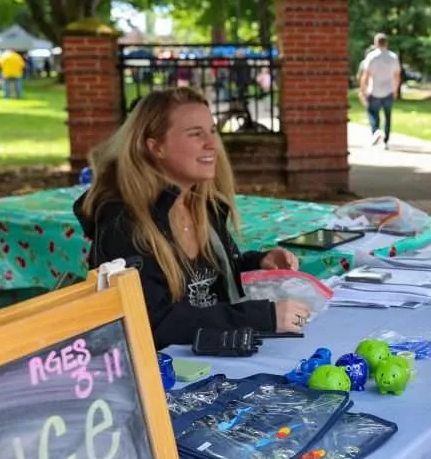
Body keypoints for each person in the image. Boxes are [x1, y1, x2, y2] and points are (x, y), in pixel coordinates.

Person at [74, 87, 310, 349]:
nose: (212, 144)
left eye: (212, 131)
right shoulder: (124, 221)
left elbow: (206, 282)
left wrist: (256, 263)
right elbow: (152, 322)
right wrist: (262, 317)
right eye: (195, 134)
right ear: (156, 147)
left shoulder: (203, 204)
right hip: (164, 373)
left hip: (214, 356)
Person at [359, 33, 401, 148]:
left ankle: (376, 131)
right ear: (386, 43)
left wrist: (363, 89)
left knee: (372, 113)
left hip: (374, 90)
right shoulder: (393, 57)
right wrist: (395, 90)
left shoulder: (372, 57)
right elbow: (397, 76)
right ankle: (386, 140)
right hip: (388, 90)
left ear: (376, 43)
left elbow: (365, 75)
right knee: (388, 116)